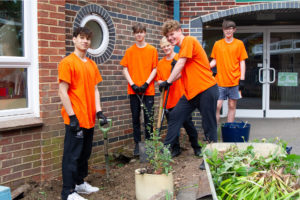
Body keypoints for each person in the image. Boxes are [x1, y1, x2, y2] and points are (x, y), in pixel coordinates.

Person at [58, 27, 107, 200]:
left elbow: (95, 90)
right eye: (81, 38)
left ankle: (79, 183)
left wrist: (99, 112)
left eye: (87, 38)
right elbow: (62, 91)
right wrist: (71, 117)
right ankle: (68, 192)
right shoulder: (68, 62)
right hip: (75, 117)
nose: (85, 41)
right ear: (74, 40)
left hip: (89, 117)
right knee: (72, 155)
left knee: (85, 153)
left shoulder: (92, 64)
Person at [159, 20, 219, 154]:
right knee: (175, 116)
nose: (170, 38)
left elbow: (180, 64)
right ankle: (165, 151)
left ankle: (212, 158)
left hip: (206, 89)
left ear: (180, 31)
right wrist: (166, 82)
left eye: (172, 34)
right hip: (191, 93)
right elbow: (180, 73)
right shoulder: (181, 51)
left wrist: (168, 81)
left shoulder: (188, 41)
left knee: (209, 125)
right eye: (167, 36)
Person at [156, 37, 201, 157]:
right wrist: (162, 83)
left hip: (182, 98)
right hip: (168, 99)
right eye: (164, 47)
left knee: (188, 125)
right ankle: (175, 149)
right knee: (172, 127)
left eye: (168, 46)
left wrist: (169, 80)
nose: (166, 48)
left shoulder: (179, 58)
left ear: (172, 45)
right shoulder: (160, 63)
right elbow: (159, 79)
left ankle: (196, 147)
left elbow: (182, 73)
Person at [120, 23, 158, 156]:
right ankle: (137, 144)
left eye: (141, 32)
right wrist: (132, 84)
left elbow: (155, 68)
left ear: (145, 33)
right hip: (133, 91)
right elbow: (125, 69)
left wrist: (147, 83)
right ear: (134, 34)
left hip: (148, 90)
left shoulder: (152, 50)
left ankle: (149, 144)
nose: (139, 35)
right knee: (135, 118)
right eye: (136, 32)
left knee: (149, 118)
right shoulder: (130, 51)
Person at [210, 20, 248, 123]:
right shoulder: (217, 44)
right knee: (217, 106)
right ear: (223, 30)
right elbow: (215, 60)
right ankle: (214, 132)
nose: (228, 31)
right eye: (226, 29)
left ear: (234, 30)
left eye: (230, 29)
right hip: (220, 81)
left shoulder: (239, 44)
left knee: (232, 105)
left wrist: (242, 79)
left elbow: (242, 62)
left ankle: (229, 128)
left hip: (234, 81)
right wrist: (206, 67)